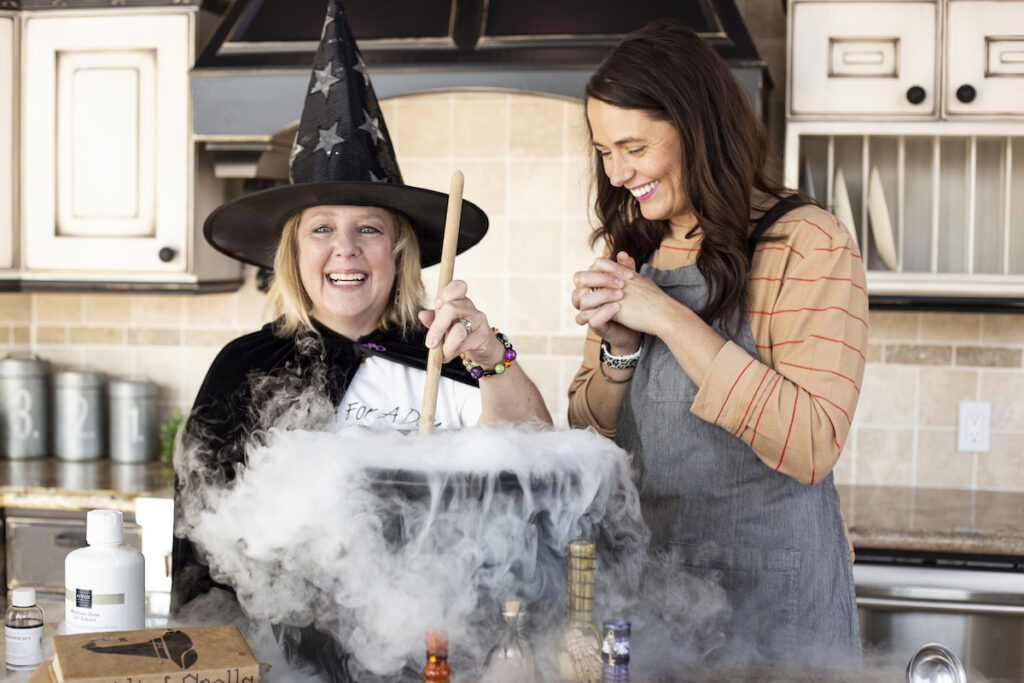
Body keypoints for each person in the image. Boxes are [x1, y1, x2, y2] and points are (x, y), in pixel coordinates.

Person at [171, 4, 550, 681]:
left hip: (435, 659)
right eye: (322, 227)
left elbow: (538, 472)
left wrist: (495, 359)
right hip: (277, 666)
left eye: (369, 228)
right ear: (293, 249)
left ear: (400, 248)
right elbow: (201, 556)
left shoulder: (449, 350)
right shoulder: (244, 370)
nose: (345, 250)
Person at [567, 20, 867, 670]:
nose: (617, 173)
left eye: (633, 147)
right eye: (603, 151)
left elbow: (812, 440)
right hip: (661, 593)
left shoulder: (809, 242)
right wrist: (618, 351)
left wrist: (670, 320)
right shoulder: (636, 247)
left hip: (781, 604)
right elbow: (591, 440)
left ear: (695, 128)